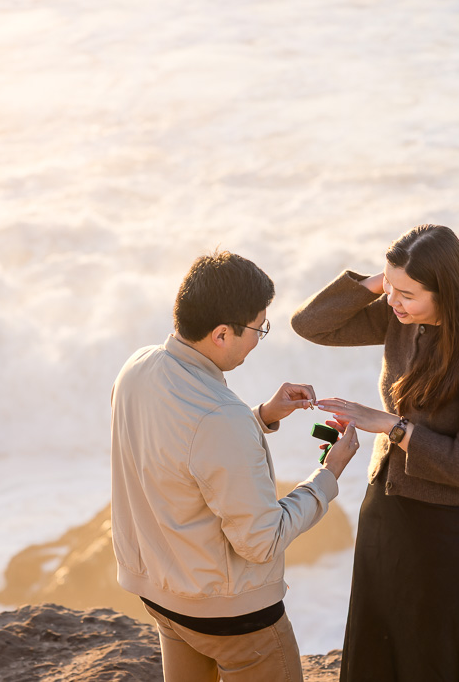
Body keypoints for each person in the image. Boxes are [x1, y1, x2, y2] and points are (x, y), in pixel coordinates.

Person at [291, 224, 459, 681]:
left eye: (407, 293)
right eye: (389, 289)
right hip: (390, 508)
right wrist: (378, 282)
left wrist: (391, 426)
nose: (393, 303)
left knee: (442, 660)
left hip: (454, 533)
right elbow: (309, 324)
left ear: (447, 290)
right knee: (383, 649)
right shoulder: (400, 316)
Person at [111, 250, 361, 682]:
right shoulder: (220, 418)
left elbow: (181, 449)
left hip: (164, 598)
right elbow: (262, 541)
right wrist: (328, 475)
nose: (258, 339)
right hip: (233, 618)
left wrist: (262, 415)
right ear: (222, 333)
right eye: (258, 328)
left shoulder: (137, 368)